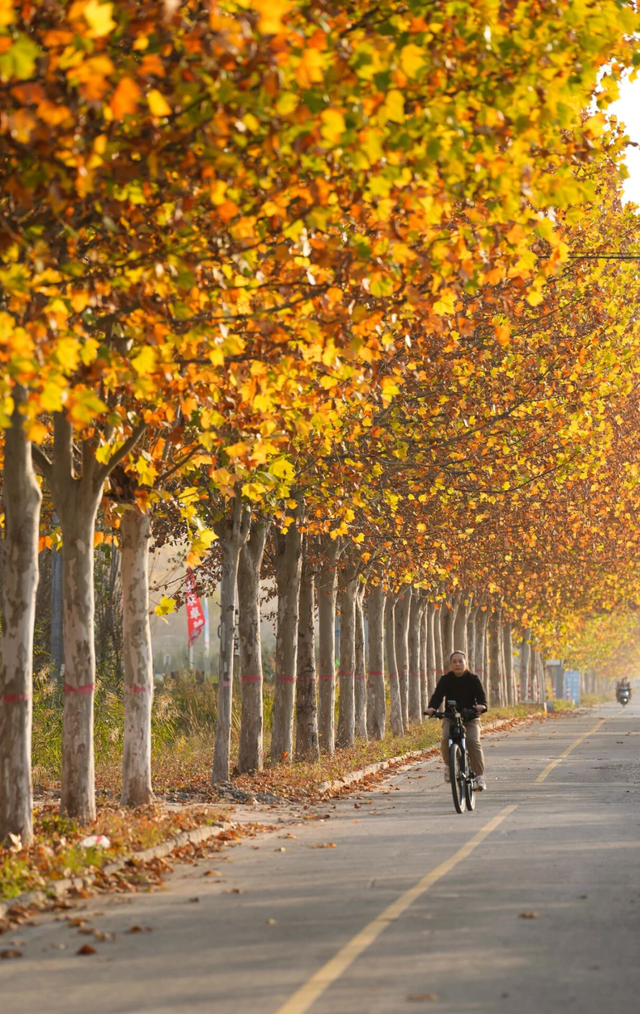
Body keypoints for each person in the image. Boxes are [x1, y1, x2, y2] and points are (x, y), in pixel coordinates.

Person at [426, 650, 488, 791]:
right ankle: (449, 766)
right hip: (451, 717)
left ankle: (479, 777)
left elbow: (482, 697)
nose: (458, 664)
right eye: (454, 662)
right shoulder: (445, 679)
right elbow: (437, 696)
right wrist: (431, 708)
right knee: (446, 737)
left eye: (461, 661)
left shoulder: (473, 679)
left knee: (473, 741)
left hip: (471, 718)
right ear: (451, 664)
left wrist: (482, 706)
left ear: (466, 663)